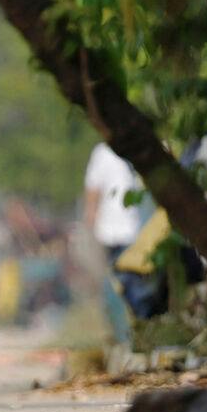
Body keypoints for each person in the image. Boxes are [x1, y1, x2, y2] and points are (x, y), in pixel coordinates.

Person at [82, 141, 146, 338]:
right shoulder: (103, 152)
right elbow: (93, 192)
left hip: (141, 233)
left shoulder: (145, 146)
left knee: (138, 285)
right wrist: (90, 229)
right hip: (111, 233)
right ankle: (122, 333)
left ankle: (138, 331)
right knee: (117, 284)